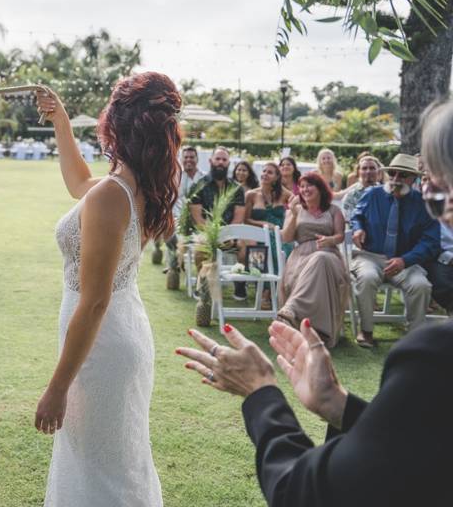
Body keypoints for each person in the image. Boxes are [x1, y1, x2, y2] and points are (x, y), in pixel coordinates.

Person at [173, 98, 453, 507]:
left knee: (324, 260)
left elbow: (303, 494)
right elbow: (418, 454)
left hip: (341, 262)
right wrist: (337, 405)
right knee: (318, 262)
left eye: (435, 191)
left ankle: (293, 314)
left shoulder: (434, 360)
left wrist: (260, 393)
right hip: (311, 263)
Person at [34, 72, 182, 506]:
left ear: (115, 122)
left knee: (100, 472)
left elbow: (94, 302)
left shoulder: (112, 195)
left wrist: (57, 387)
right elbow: (80, 184)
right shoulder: (133, 185)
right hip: (123, 332)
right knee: (114, 464)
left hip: (101, 347)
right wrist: (61, 119)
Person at [350, 153, 440, 347]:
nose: (396, 179)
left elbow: (430, 242)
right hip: (370, 257)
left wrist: (405, 260)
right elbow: (357, 215)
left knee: (421, 285)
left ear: (413, 178)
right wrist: (358, 229)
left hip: (406, 260)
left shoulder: (423, 204)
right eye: (392, 173)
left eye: (402, 175)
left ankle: (414, 338)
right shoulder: (372, 194)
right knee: (366, 278)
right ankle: (366, 331)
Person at [276, 172, 350, 347]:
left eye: (309, 185)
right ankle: (317, 330)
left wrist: (330, 240)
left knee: (321, 257)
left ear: (320, 188)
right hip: (301, 257)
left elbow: (340, 235)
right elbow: (286, 238)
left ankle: (292, 309)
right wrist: (293, 214)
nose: (304, 189)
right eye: (301, 186)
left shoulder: (334, 210)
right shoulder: (295, 210)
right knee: (317, 260)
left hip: (329, 254)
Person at [190, 146, 247, 300]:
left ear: (229, 163)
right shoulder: (199, 186)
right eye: (218, 159)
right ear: (211, 161)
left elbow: (238, 216)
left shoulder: (237, 189)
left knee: (242, 246)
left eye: (224, 159)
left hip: (230, 233)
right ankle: (202, 285)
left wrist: (228, 234)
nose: (220, 162)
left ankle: (240, 286)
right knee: (200, 247)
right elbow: (197, 217)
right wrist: (212, 234)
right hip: (206, 232)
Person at [166, 146, 205, 283]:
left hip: (200, 220)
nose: (189, 160)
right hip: (178, 218)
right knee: (169, 234)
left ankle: (181, 262)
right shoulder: (175, 178)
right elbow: (169, 201)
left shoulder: (204, 178)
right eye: (186, 157)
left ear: (197, 159)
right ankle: (175, 264)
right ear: (181, 159)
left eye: (192, 157)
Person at [340, 155, 382, 220]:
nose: (368, 171)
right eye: (364, 168)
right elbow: (350, 220)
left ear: (379, 172)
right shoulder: (351, 196)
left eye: (372, 168)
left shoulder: (386, 193)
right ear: (358, 172)